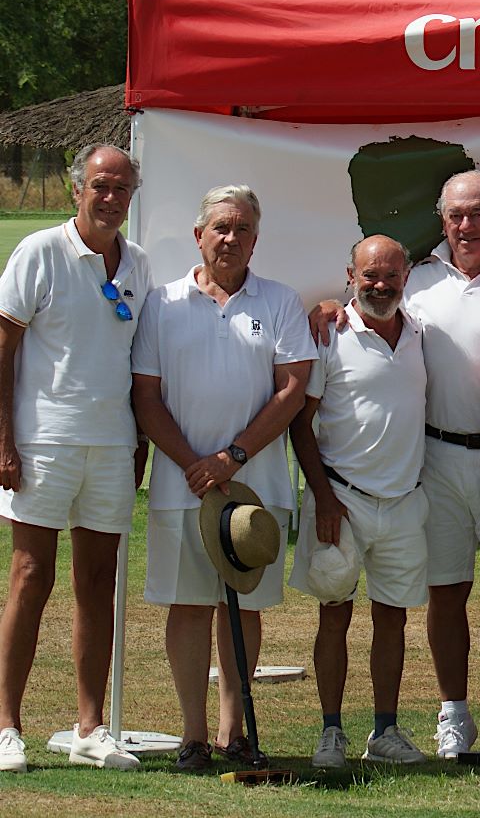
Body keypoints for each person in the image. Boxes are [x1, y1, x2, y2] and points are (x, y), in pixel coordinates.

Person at [313, 170, 480, 759]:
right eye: (456, 215)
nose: (466, 225)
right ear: (442, 221)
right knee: (445, 591)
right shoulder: (418, 283)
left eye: (478, 214)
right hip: (433, 458)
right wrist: (330, 305)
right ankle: (453, 715)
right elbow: (362, 306)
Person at [132, 185, 315, 772]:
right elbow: (146, 396)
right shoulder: (162, 303)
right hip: (180, 485)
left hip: (254, 487)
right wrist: (195, 463)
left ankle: (233, 731)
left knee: (244, 606)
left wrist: (230, 458)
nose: (230, 238)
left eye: (242, 229)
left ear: (256, 240)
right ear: (198, 235)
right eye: (220, 228)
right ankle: (191, 736)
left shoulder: (281, 301)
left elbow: (293, 389)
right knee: (187, 606)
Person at [0, 145, 151, 773]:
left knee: (98, 583)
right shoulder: (38, 251)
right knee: (32, 575)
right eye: (99, 186)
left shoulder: (138, 264)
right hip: (43, 441)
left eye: (121, 189)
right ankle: (7, 727)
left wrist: (138, 443)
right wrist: (2, 440)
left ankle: (89, 726)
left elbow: (137, 364)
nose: (110, 198)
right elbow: (1, 349)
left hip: (111, 445)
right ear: (77, 190)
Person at [289, 236, 429, 768]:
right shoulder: (330, 334)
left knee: (392, 620)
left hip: (404, 501)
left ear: (405, 277)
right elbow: (301, 424)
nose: (379, 285)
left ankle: (385, 732)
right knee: (334, 616)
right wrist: (322, 497)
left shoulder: (420, 333)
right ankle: (331, 733)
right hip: (340, 499)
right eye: (370, 275)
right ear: (350, 274)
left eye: (390, 275)